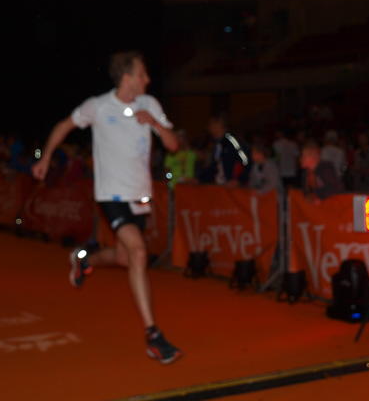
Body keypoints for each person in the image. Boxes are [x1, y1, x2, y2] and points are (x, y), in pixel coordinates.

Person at [31, 51, 182, 364]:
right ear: (126, 78)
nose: (147, 79)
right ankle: (153, 335)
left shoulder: (149, 104)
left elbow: (173, 145)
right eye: (142, 74)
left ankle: (84, 259)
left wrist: (154, 122)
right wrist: (46, 157)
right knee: (138, 253)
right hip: (111, 196)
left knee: (126, 257)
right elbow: (64, 126)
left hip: (139, 197)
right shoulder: (98, 106)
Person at [201, 114, 250, 186]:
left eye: (211, 125)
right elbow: (214, 166)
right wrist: (199, 179)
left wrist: (239, 180)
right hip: (220, 186)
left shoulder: (233, 141)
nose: (209, 128)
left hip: (233, 187)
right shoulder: (217, 144)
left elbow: (246, 160)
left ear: (219, 125)